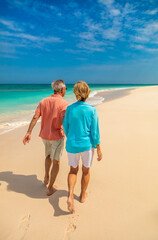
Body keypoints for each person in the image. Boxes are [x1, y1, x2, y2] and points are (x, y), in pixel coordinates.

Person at [23, 79, 68, 196]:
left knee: (48, 155)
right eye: (66, 89)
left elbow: (35, 117)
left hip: (44, 136)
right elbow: (65, 121)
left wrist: (28, 132)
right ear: (62, 90)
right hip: (57, 136)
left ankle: (46, 177)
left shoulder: (43, 101)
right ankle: (50, 188)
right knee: (56, 161)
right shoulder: (64, 104)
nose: (65, 91)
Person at [63, 81, 102, 213]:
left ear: (75, 93)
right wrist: (99, 149)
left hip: (72, 144)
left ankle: (69, 196)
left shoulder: (70, 108)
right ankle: (82, 195)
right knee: (85, 171)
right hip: (87, 146)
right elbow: (95, 132)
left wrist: (71, 139)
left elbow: (65, 127)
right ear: (87, 93)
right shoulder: (92, 110)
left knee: (73, 171)